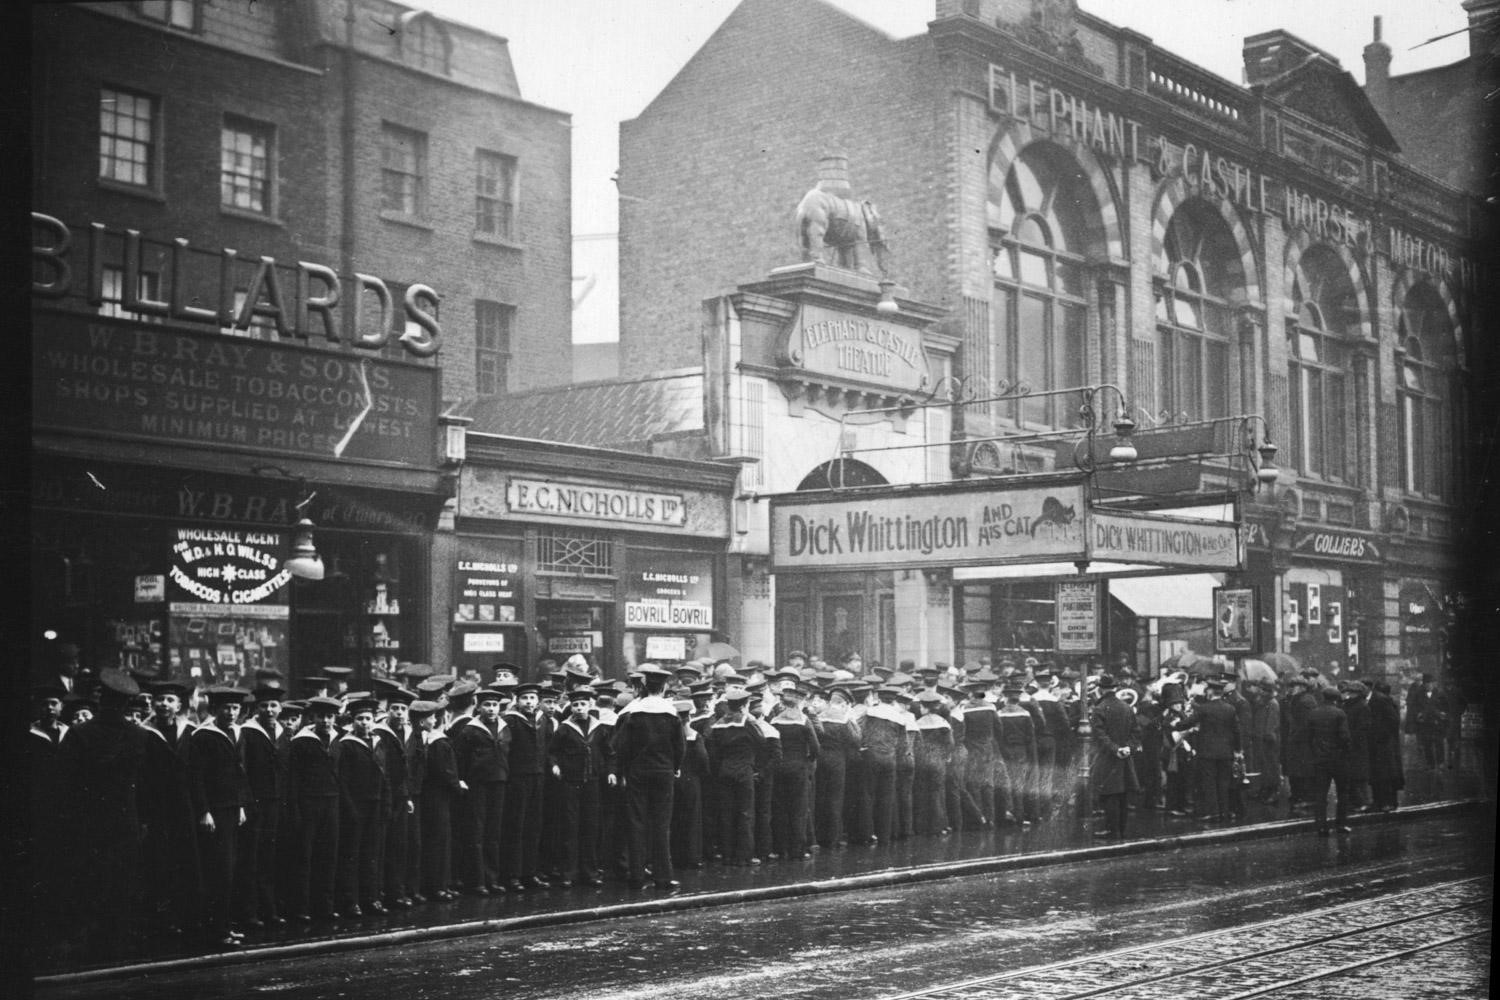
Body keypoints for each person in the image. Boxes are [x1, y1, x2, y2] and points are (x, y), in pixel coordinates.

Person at [58, 668, 154, 958]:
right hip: (126, 820)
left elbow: (64, 783)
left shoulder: (79, 733)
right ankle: (116, 945)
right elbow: (147, 784)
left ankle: (87, 947)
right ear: (127, 704)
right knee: (122, 884)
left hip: (87, 821)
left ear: (101, 699)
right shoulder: (138, 735)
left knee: (88, 882)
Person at [612, 663, 685, 891]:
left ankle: (636, 876)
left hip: (637, 773)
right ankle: (663, 877)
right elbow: (680, 746)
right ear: (663, 687)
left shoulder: (632, 712)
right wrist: (675, 766)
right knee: (661, 824)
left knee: (636, 822)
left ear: (644, 685)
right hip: (663, 773)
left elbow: (620, 746)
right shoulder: (671, 712)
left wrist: (623, 770)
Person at [187, 686, 249, 947]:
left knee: (230, 869)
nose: (231, 712)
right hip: (214, 811)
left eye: (235, 708)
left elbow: (239, 773)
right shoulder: (203, 736)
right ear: (214, 710)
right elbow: (196, 777)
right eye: (226, 708)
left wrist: (241, 806)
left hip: (232, 809)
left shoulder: (236, 733)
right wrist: (204, 811)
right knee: (218, 870)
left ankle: (225, 925)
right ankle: (217, 929)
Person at [286, 696, 343, 923]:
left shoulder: (338, 740)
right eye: (322, 716)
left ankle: (325, 907)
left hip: (332, 803)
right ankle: (301, 908)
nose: (326, 721)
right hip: (308, 804)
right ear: (313, 718)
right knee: (304, 857)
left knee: (328, 856)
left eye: (330, 717)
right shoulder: (301, 742)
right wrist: (296, 810)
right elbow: (293, 780)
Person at [452, 686, 511, 895]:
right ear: (478, 707)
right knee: (477, 832)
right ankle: (477, 881)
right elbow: (459, 758)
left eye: (495, 705)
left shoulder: (504, 728)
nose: (491, 709)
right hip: (477, 784)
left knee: (493, 832)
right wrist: (461, 780)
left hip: (499, 783)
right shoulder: (469, 730)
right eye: (487, 705)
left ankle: (492, 878)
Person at [237, 684, 287, 928]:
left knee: (271, 856)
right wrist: (247, 802)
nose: (269, 710)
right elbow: (242, 770)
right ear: (256, 709)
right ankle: (250, 911)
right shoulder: (247, 732)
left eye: (273, 706)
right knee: (252, 858)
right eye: (264, 706)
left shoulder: (282, 732)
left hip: (276, 803)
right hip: (255, 804)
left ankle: (270, 909)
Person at [335, 696, 389, 917]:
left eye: (368, 718)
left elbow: (385, 777)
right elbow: (343, 781)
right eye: (360, 719)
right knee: (352, 854)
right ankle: (351, 901)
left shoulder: (378, 743)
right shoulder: (346, 745)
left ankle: (372, 898)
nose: (364, 723)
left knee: (372, 853)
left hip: (375, 805)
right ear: (352, 721)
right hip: (356, 807)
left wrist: (386, 803)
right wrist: (350, 809)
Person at [548, 687, 606, 887]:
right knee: (570, 827)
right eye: (576, 705)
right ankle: (568, 872)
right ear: (571, 707)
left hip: (592, 783)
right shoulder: (564, 728)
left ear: (590, 706)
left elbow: (609, 752)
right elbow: (552, 751)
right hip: (570, 783)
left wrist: (610, 771)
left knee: (590, 826)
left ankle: (590, 872)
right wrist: (555, 765)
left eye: (583, 704)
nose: (580, 708)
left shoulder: (599, 728)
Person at [707, 687, 763, 866]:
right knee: (745, 812)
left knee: (726, 813)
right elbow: (761, 742)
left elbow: (713, 752)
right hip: (744, 770)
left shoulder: (718, 724)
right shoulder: (747, 721)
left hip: (725, 770)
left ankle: (727, 854)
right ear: (745, 705)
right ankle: (744, 856)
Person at [1174, 678, 1239, 824]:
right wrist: (1237, 750)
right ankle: (1225, 812)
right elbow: (1236, 731)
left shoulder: (1204, 708)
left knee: (1209, 783)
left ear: (1210, 691)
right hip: (1226, 753)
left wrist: (1176, 724)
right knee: (1223, 783)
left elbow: (1188, 722)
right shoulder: (1230, 709)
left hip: (1207, 753)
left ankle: (1213, 813)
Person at [376, 686, 418, 909]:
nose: (399, 713)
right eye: (395, 708)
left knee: (400, 845)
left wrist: (408, 795)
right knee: (385, 846)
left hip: (402, 796)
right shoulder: (380, 733)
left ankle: (398, 891)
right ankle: (384, 891)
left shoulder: (410, 733)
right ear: (388, 710)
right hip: (386, 796)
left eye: (403, 709)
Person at [768, 682, 820, 860]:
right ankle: (797, 850)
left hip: (779, 768)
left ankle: (781, 848)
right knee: (799, 809)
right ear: (798, 702)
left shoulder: (775, 720)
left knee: (780, 808)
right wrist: (808, 760)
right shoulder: (803, 720)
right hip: (798, 768)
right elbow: (815, 747)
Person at [415, 700, 460, 900]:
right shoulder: (438, 742)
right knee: (439, 840)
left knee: (437, 840)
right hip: (438, 796)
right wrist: (458, 785)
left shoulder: (425, 740)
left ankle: (440, 884)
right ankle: (438, 885)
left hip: (430, 795)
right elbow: (445, 771)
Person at [1089, 674, 1141, 839]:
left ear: (1101, 689)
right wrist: (1128, 748)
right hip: (1125, 757)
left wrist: (1115, 749)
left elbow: (1099, 735)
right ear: (1116, 688)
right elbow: (1136, 732)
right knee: (1123, 793)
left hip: (1108, 756)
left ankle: (1112, 830)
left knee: (1109, 793)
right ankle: (1121, 829)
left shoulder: (1099, 708)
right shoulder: (1127, 707)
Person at [1306, 685, 1353, 836]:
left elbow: (1309, 736)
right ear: (1335, 699)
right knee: (1343, 793)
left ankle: (1321, 826)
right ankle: (1341, 824)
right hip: (1338, 759)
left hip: (1320, 759)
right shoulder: (1340, 713)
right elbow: (1345, 737)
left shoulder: (1314, 713)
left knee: (1320, 794)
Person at [1367, 680, 1404, 812]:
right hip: (1383, 744)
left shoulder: (1380, 700)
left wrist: (1381, 735)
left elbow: (1393, 720)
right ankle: (1383, 802)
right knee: (1382, 774)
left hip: (1384, 744)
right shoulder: (1383, 700)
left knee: (1386, 774)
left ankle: (1387, 802)